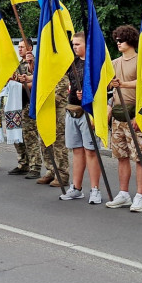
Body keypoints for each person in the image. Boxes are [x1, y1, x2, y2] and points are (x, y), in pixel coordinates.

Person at [105, 25, 142, 213]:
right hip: (118, 116)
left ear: (130, 41)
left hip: (135, 115)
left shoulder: (141, 61)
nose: (118, 43)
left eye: (121, 40)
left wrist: (141, 116)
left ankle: (140, 196)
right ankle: (124, 193)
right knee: (121, 156)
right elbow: (110, 87)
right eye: (116, 40)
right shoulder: (114, 63)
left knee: (140, 157)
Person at [60, 32, 103, 204]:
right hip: (72, 110)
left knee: (91, 151)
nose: (74, 47)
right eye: (73, 44)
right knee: (76, 150)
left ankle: (95, 190)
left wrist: (88, 94)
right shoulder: (73, 62)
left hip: (89, 112)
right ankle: (76, 188)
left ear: (87, 44)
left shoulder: (94, 63)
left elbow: (104, 85)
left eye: (78, 44)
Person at [12, 38, 41, 179]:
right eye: (19, 47)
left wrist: (19, 82)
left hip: (29, 103)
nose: (20, 49)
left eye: (23, 47)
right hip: (17, 103)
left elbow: (36, 82)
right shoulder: (18, 64)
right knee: (18, 135)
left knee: (30, 136)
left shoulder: (34, 63)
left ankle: (35, 166)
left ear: (30, 48)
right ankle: (23, 163)